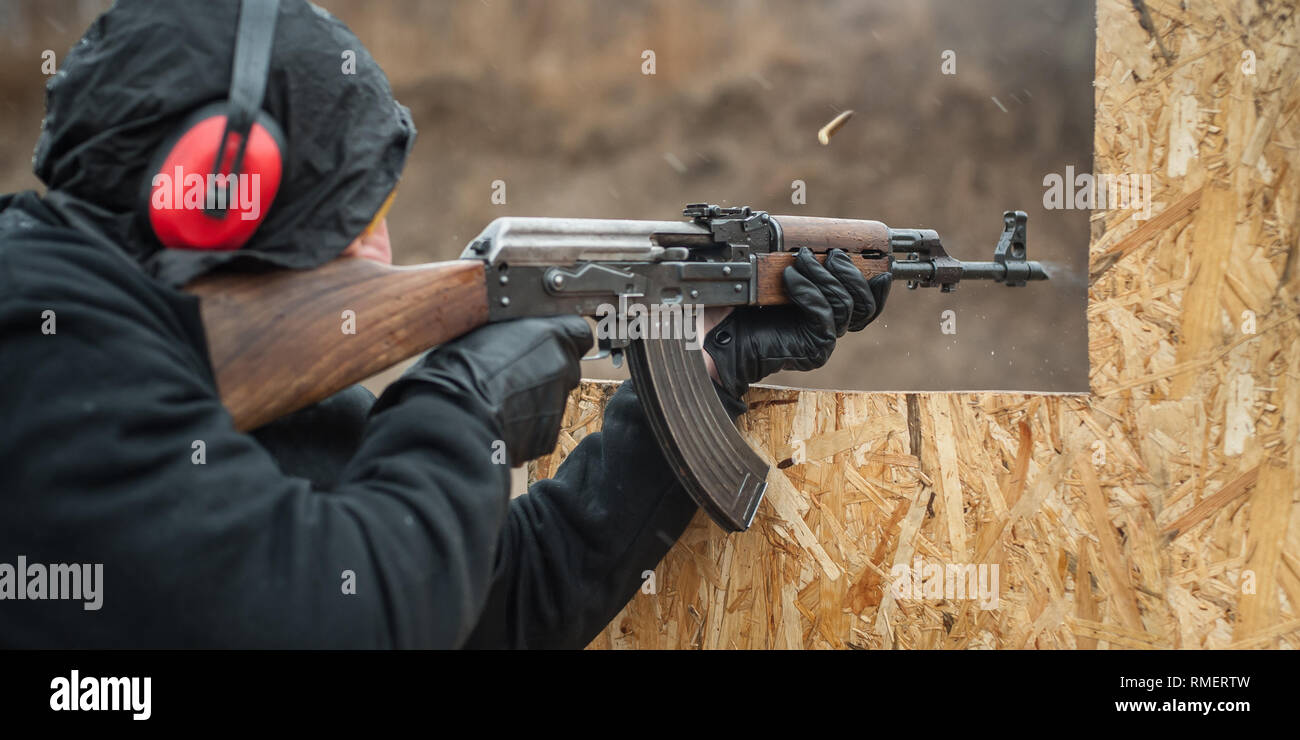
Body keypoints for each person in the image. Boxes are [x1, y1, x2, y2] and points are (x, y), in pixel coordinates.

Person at [0, 0, 890, 648]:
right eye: (354, 217)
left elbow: (497, 609)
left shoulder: (188, 389)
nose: (383, 259)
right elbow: (351, 619)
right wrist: (460, 402)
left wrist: (700, 368)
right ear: (216, 198)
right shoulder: (34, 340)